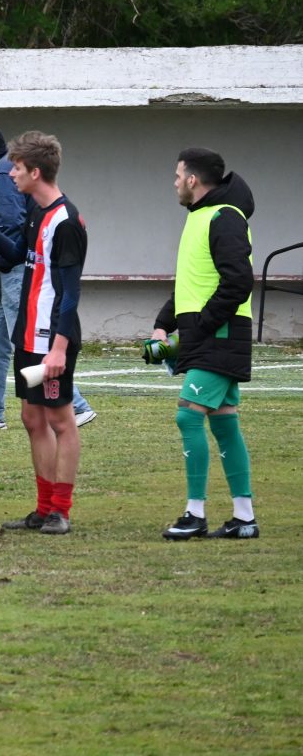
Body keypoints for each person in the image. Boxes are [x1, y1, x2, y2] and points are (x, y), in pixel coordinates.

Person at [0, 132, 88, 536]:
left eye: (17, 168)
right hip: (27, 335)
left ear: (35, 172)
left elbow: (71, 293)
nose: (11, 175)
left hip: (51, 339)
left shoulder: (66, 220)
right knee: (31, 417)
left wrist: (59, 347)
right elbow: (14, 256)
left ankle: (61, 510)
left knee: (61, 419)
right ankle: (43, 509)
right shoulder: (36, 213)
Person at [151, 148, 259, 540]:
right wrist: (164, 324)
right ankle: (244, 519)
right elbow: (192, 281)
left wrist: (203, 325)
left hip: (221, 333)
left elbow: (238, 282)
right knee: (225, 422)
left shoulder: (223, 217)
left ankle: (195, 514)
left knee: (188, 415)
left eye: (178, 175)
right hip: (210, 333)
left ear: (192, 179)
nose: (175, 182)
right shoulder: (200, 217)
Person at [0, 124, 97, 430]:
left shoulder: (2, 176)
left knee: (29, 343)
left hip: (15, 275)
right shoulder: (14, 184)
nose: (13, 174)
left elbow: (12, 227)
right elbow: (14, 239)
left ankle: (76, 405)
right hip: (5, 270)